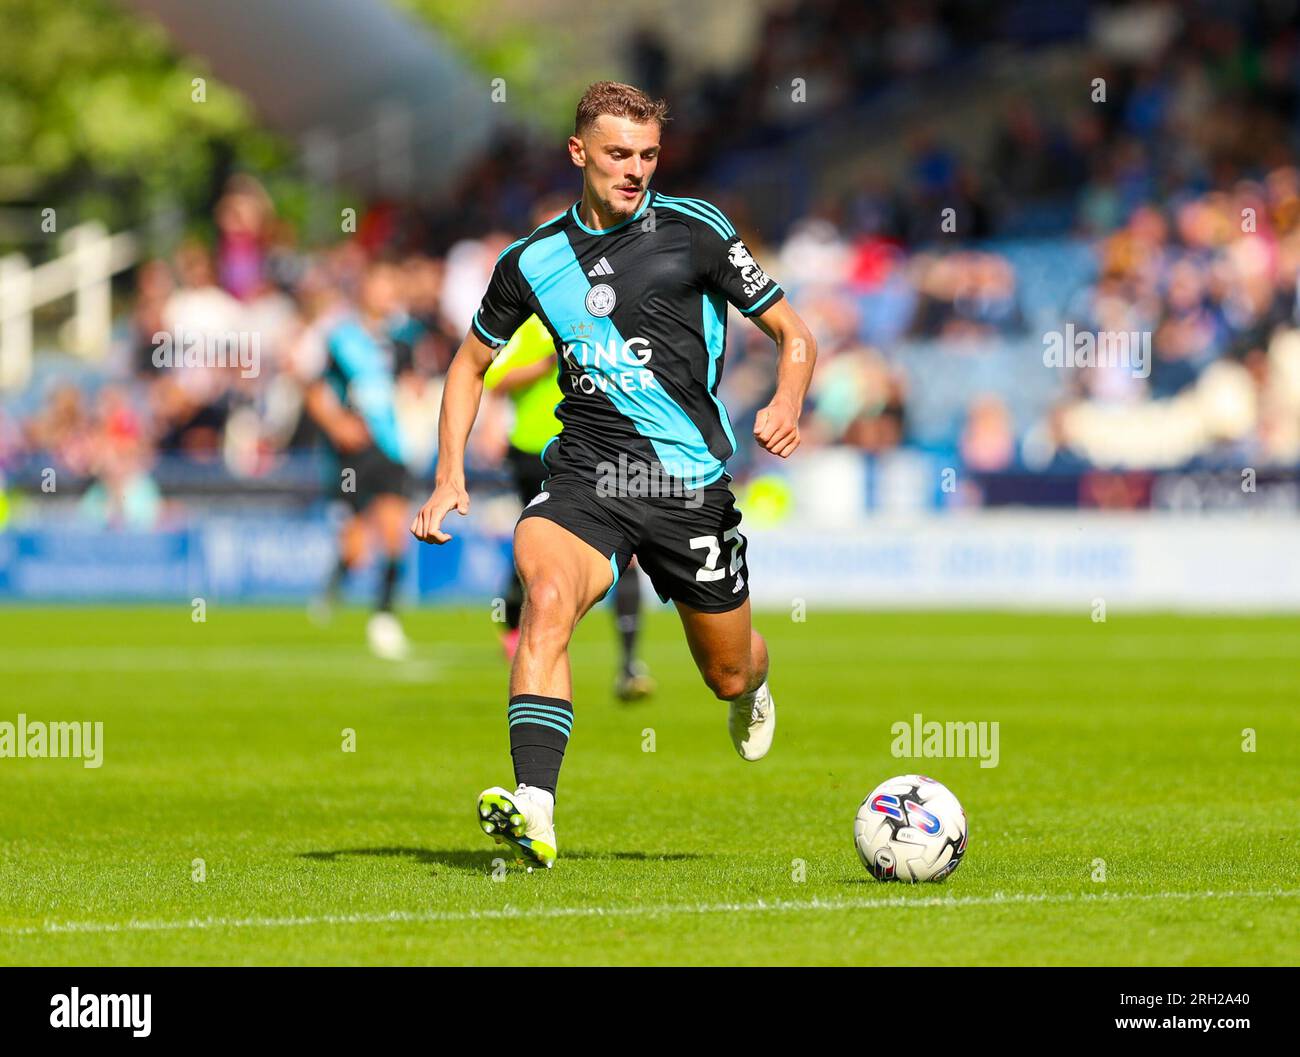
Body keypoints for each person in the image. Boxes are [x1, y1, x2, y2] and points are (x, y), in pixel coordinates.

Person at [410, 82, 817, 868]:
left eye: (648, 156)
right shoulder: (530, 261)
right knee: (547, 603)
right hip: (586, 474)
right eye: (619, 155)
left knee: (728, 671)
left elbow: (793, 332)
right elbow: (468, 367)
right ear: (579, 153)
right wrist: (447, 472)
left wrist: (788, 401)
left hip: (687, 486)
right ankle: (535, 807)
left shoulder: (697, 231)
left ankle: (755, 685)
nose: (635, 170)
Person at [484, 311, 656, 700]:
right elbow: (495, 378)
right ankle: (515, 628)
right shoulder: (532, 328)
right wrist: (547, 362)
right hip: (535, 452)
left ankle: (629, 664)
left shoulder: (603, 319)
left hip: (600, 450)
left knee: (628, 551)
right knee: (537, 545)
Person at [304, 259, 418, 660]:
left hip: (390, 449)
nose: (388, 293)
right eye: (382, 284)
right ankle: (333, 584)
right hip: (352, 455)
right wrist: (338, 425)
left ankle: (384, 618)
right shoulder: (343, 339)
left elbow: (411, 391)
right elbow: (315, 391)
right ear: (365, 290)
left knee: (393, 535)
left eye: (393, 286)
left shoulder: (404, 341)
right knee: (356, 547)